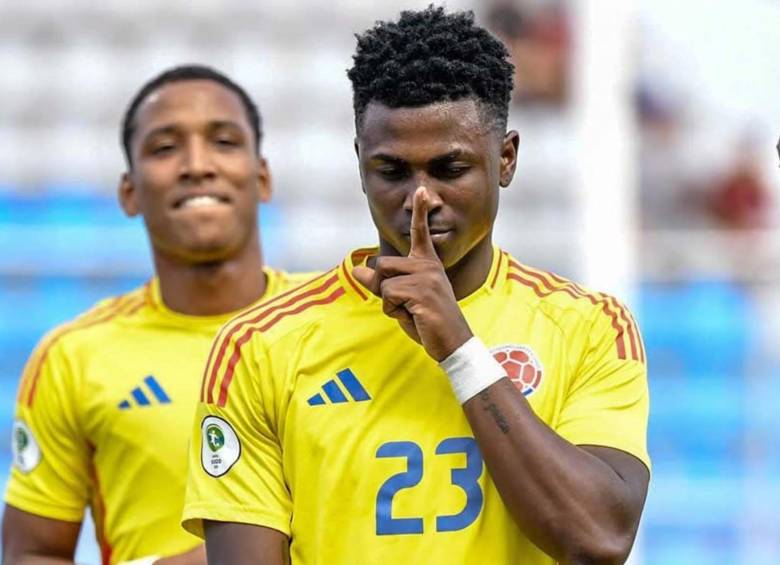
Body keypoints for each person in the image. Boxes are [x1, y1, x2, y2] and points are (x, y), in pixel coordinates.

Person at [183, 7, 650, 564]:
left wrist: (460, 350)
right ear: (360, 164)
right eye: (392, 172)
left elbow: (599, 539)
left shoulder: (590, 327)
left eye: (450, 170)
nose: (420, 199)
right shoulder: (260, 346)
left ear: (505, 159)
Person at [3, 65, 316, 565]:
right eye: (165, 148)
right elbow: (31, 554)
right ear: (128, 191)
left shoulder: (334, 324)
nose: (197, 165)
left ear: (262, 177)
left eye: (224, 141)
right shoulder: (74, 356)